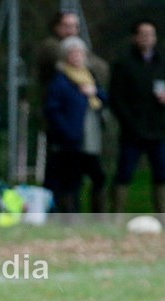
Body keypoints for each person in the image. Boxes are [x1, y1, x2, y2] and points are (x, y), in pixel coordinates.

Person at [109, 19, 165, 227]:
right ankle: (117, 215)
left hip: (158, 129)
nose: (148, 38)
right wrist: (129, 122)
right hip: (132, 131)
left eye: (152, 34)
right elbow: (116, 98)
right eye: (144, 34)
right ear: (135, 37)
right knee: (124, 172)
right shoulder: (124, 64)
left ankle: (164, 215)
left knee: (163, 172)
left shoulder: (163, 62)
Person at [35, 10, 109, 197]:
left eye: (76, 26)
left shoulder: (85, 72)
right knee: (61, 174)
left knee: (82, 175)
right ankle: (55, 213)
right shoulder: (51, 49)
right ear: (57, 27)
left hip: (83, 130)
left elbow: (101, 70)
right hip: (63, 127)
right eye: (68, 26)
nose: (73, 30)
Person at [44, 37, 108, 221]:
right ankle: (71, 217)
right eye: (73, 53)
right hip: (70, 140)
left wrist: (94, 92)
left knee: (98, 177)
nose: (77, 57)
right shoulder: (60, 81)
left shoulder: (89, 76)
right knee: (72, 180)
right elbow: (52, 110)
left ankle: (99, 216)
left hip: (91, 138)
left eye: (80, 53)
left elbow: (104, 98)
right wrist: (66, 131)